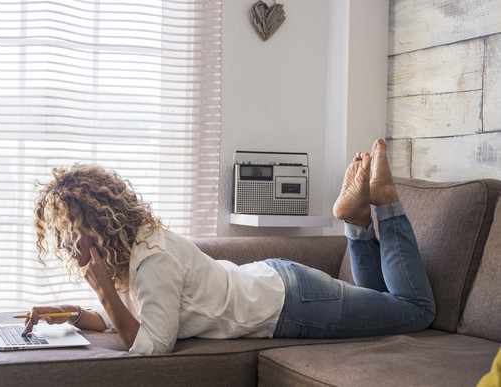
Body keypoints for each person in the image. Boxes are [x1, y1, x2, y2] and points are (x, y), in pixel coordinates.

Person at [22, 138, 436, 355]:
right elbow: (122, 320)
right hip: (280, 284)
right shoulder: (136, 250)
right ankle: (358, 221)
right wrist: (68, 314)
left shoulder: (151, 261)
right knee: (383, 301)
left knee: (416, 311)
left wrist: (103, 291)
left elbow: (151, 345)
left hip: (291, 305)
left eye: (70, 233)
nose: (67, 245)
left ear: (98, 225)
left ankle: (386, 206)